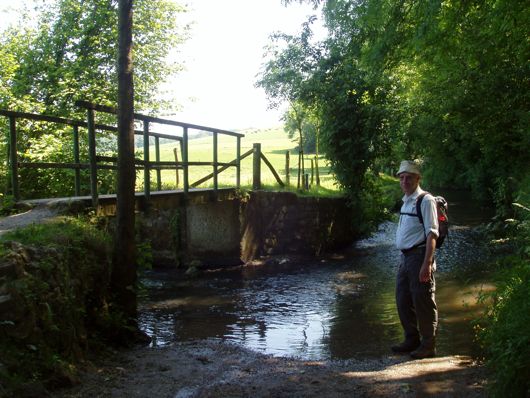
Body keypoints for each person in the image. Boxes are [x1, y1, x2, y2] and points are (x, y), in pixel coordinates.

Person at [392, 160, 439, 359]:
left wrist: (427, 263)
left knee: (423, 301)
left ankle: (428, 345)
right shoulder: (406, 200)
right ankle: (412, 339)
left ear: (418, 178)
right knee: (403, 299)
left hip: (419, 256)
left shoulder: (425, 200)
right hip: (405, 258)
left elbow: (432, 234)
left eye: (409, 177)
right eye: (402, 178)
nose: (405, 181)